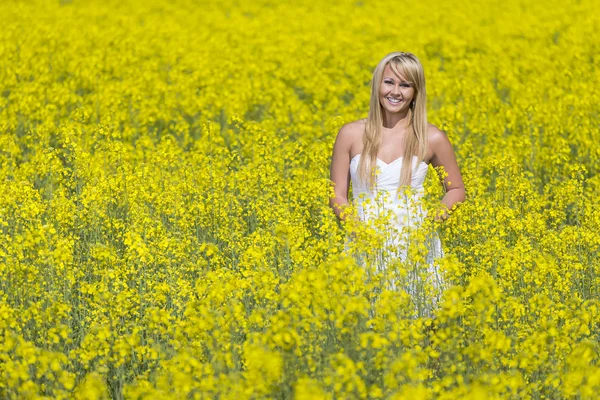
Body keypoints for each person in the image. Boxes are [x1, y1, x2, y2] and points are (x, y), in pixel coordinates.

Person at [329, 51, 466, 315]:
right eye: (389, 82)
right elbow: (337, 195)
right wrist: (357, 230)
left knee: (421, 327)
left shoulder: (432, 137)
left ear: (416, 92)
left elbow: (456, 190)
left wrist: (428, 226)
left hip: (416, 245)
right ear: (377, 84)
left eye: (405, 85)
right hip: (365, 242)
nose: (395, 92)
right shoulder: (350, 134)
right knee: (365, 328)